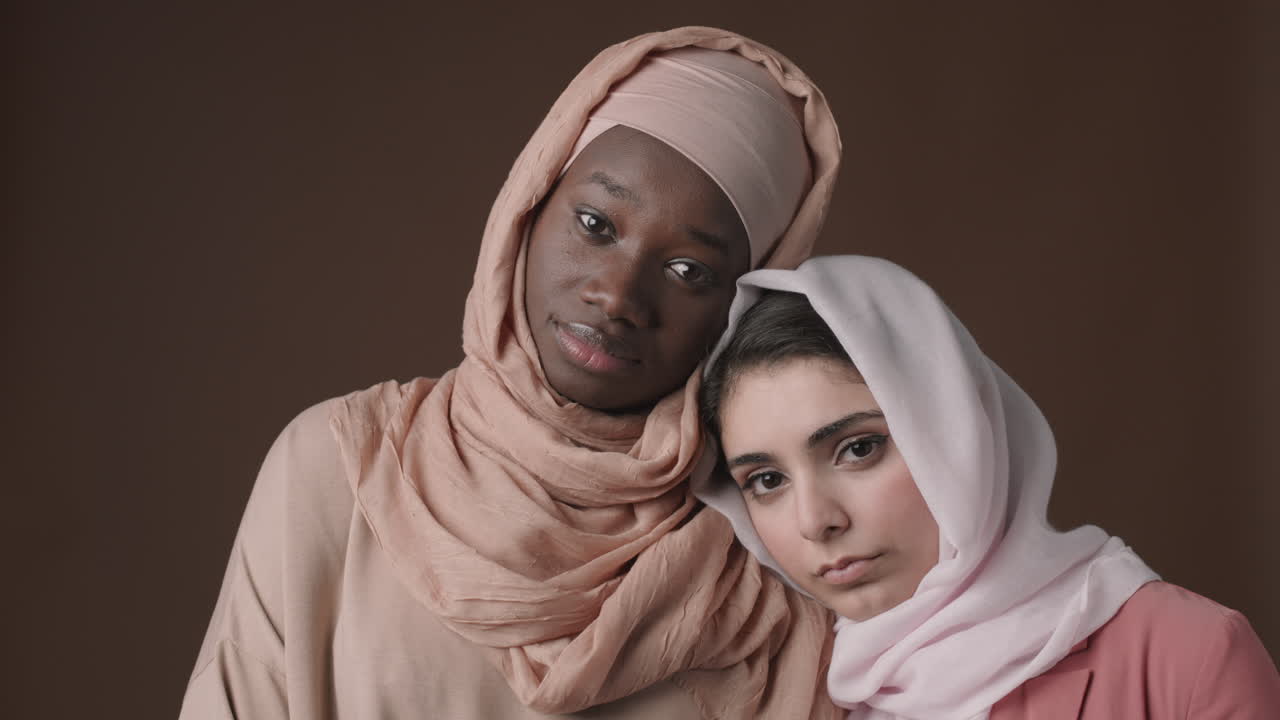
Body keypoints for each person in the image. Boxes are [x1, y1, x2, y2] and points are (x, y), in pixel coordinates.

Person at [178, 27, 845, 720]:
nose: (618, 296)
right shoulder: (342, 469)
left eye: (688, 271)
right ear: (527, 208)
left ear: (741, 306)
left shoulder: (771, 556)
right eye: (594, 223)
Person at [696, 255, 1280, 719]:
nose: (814, 520)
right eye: (766, 480)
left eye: (858, 449)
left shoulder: (1187, 655)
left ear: (958, 431)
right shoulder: (773, 691)